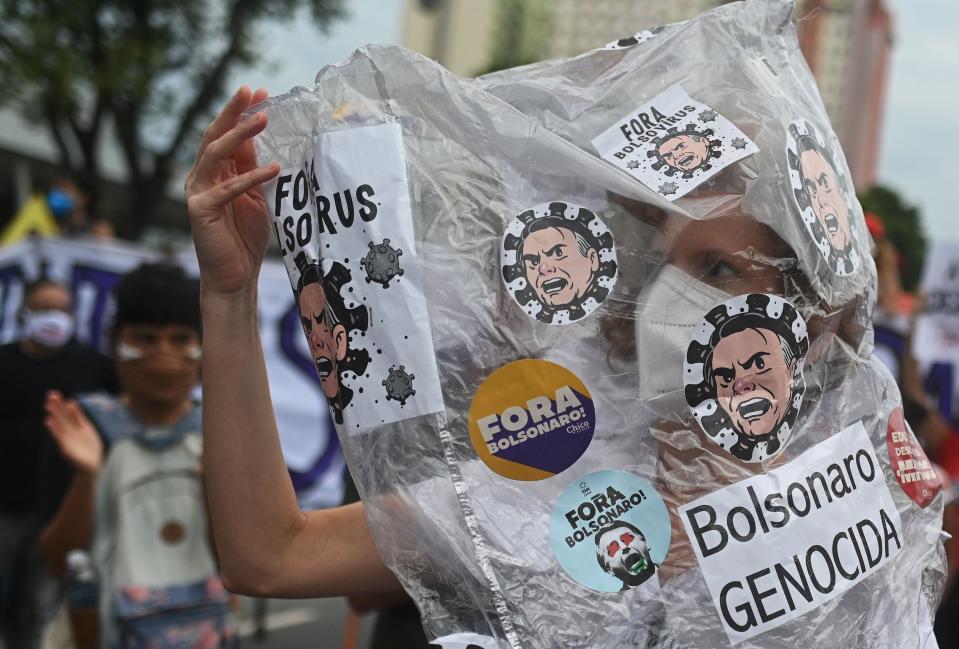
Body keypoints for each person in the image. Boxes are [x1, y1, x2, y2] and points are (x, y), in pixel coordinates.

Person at [41, 263, 235, 649]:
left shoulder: (223, 433)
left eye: (181, 339)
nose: (163, 356)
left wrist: (218, 494)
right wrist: (85, 478)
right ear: (115, 341)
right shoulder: (84, 429)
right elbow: (60, 559)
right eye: (144, 338)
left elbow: (241, 565)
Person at [0, 279, 117, 649]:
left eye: (62, 309)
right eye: (44, 308)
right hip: (5, 510)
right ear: (24, 314)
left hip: (65, 510)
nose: (54, 318)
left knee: (45, 606)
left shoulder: (95, 367)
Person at [594, 520, 657, 591]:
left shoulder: (670, 565)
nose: (624, 547)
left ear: (645, 543)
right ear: (610, 570)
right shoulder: (617, 601)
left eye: (627, 538)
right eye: (613, 549)